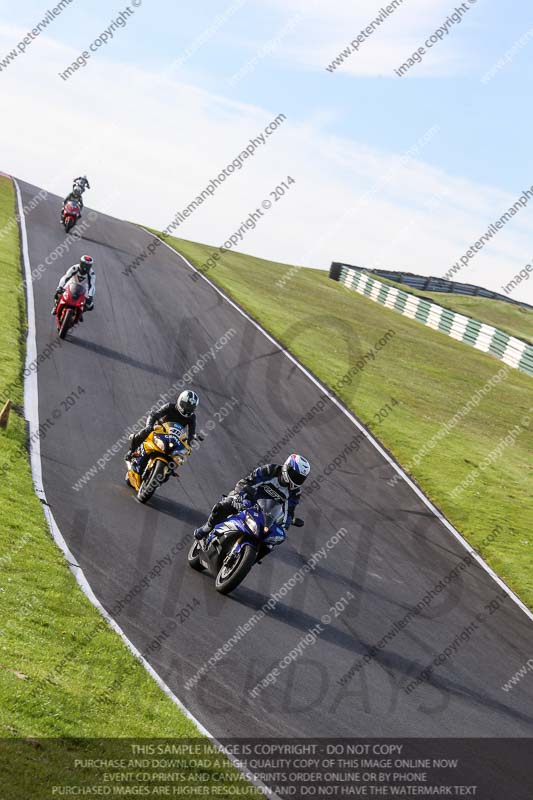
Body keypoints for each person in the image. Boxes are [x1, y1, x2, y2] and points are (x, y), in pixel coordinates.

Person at [194, 454, 311, 541]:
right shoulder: (270, 471)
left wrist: (285, 524)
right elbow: (247, 482)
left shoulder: (295, 492)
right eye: (295, 475)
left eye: (300, 478)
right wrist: (239, 496)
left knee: (273, 539)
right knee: (224, 505)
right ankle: (207, 528)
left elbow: (289, 511)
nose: (296, 480)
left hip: (267, 514)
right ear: (287, 467)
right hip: (248, 499)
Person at [125, 390, 200, 463]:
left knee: (179, 458)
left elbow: (191, 433)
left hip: (175, 437)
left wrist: (189, 445)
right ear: (180, 401)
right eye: (187, 406)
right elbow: (154, 415)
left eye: (191, 408)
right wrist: (149, 426)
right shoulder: (170, 406)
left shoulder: (192, 417)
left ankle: (169, 469)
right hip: (161, 430)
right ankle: (131, 451)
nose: (188, 409)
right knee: (147, 430)